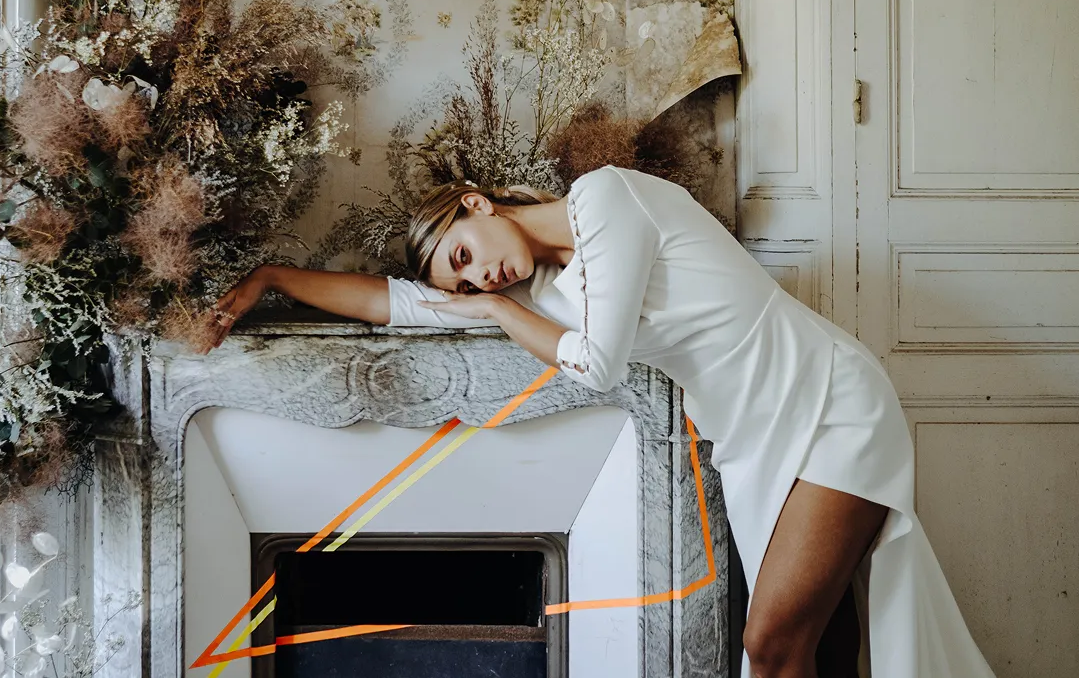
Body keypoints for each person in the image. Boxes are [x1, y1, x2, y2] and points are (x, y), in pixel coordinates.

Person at [207, 165, 997, 678]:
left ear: (477, 202)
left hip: (827, 402)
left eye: (462, 254)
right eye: (466, 275)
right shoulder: (529, 297)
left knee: (769, 645)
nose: (480, 275)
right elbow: (389, 302)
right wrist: (269, 278)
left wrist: (485, 305)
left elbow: (596, 361)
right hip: (752, 439)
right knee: (822, 647)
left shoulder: (607, 197)